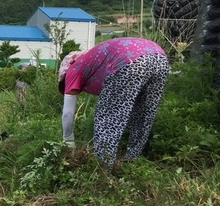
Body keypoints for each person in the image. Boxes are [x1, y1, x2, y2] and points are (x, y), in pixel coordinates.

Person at [58, 37, 170, 168]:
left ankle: (102, 167)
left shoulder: (72, 70)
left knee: (107, 117)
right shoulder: (93, 59)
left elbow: (67, 113)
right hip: (160, 58)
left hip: (128, 59)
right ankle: (133, 163)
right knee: (144, 113)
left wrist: (68, 141)